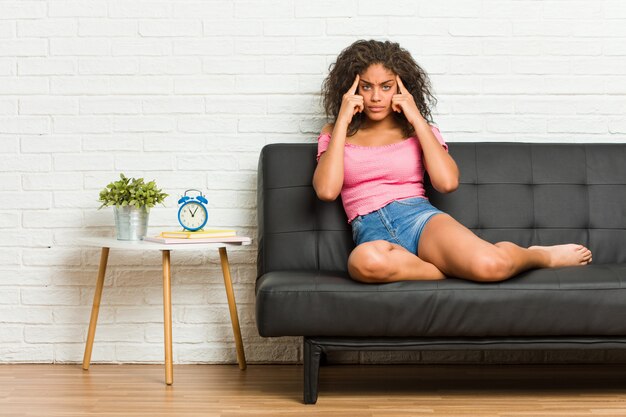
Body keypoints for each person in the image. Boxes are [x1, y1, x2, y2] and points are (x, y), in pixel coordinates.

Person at [313, 39, 592, 284]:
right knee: (363, 264)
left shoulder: (418, 130)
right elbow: (326, 190)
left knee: (490, 265)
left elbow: (447, 183)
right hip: (371, 233)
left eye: (386, 87)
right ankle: (451, 270)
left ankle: (537, 256)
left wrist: (415, 117)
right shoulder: (335, 133)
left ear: (401, 88)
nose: (375, 97)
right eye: (366, 87)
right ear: (351, 88)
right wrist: (342, 121)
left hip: (419, 219)